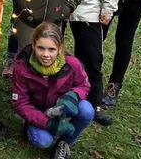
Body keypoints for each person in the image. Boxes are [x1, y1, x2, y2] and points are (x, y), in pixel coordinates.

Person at [11, 22, 93, 159]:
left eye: (51, 49)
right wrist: (47, 123)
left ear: (59, 49)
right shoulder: (21, 68)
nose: (45, 54)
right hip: (37, 110)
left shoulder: (72, 64)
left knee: (87, 110)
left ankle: (64, 142)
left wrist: (72, 97)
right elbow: (20, 103)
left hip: (60, 107)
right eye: (40, 48)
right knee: (43, 141)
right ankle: (31, 126)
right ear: (33, 45)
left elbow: (83, 85)